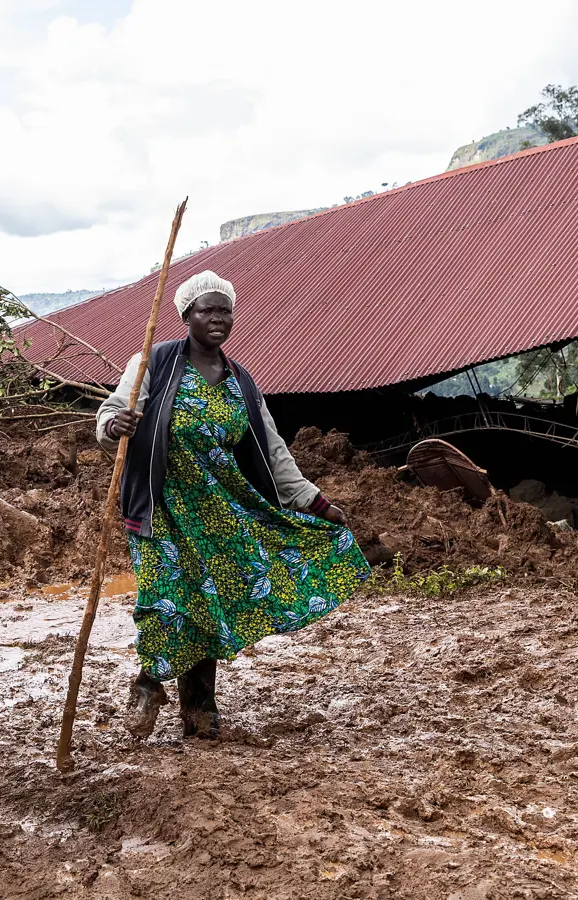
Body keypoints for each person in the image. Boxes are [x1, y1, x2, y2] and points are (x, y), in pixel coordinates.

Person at [97, 270, 370, 741]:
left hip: (221, 511)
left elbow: (272, 447)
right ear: (186, 317)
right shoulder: (153, 364)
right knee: (165, 597)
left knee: (207, 603)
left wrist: (314, 500)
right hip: (161, 509)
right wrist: (112, 426)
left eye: (225, 310)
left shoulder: (241, 382)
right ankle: (148, 681)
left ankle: (200, 711)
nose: (218, 319)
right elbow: (109, 415)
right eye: (207, 310)